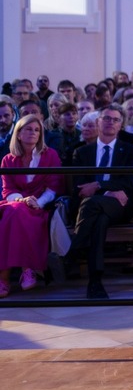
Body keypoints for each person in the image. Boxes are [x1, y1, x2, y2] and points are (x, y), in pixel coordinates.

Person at [59, 106, 133, 299]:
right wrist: (109, 189)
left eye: (115, 119)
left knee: (92, 204)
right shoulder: (82, 152)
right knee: (99, 219)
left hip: (120, 206)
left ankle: (73, 252)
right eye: (106, 118)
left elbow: (129, 184)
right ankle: (95, 282)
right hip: (94, 208)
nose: (110, 122)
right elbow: (80, 188)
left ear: (121, 125)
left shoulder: (130, 151)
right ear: (98, 122)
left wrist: (97, 185)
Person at [0, 116, 64, 295]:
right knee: (16, 212)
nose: (33, 133)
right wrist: (22, 200)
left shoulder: (50, 154)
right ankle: (27, 269)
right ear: (18, 134)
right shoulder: (8, 159)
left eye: (37, 130)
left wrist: (38, 202)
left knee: (11, 219)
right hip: (13, 204)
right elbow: (8, 189)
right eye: (28, 129)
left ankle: (3, 277)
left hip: (39, 208)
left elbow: (54, 185)